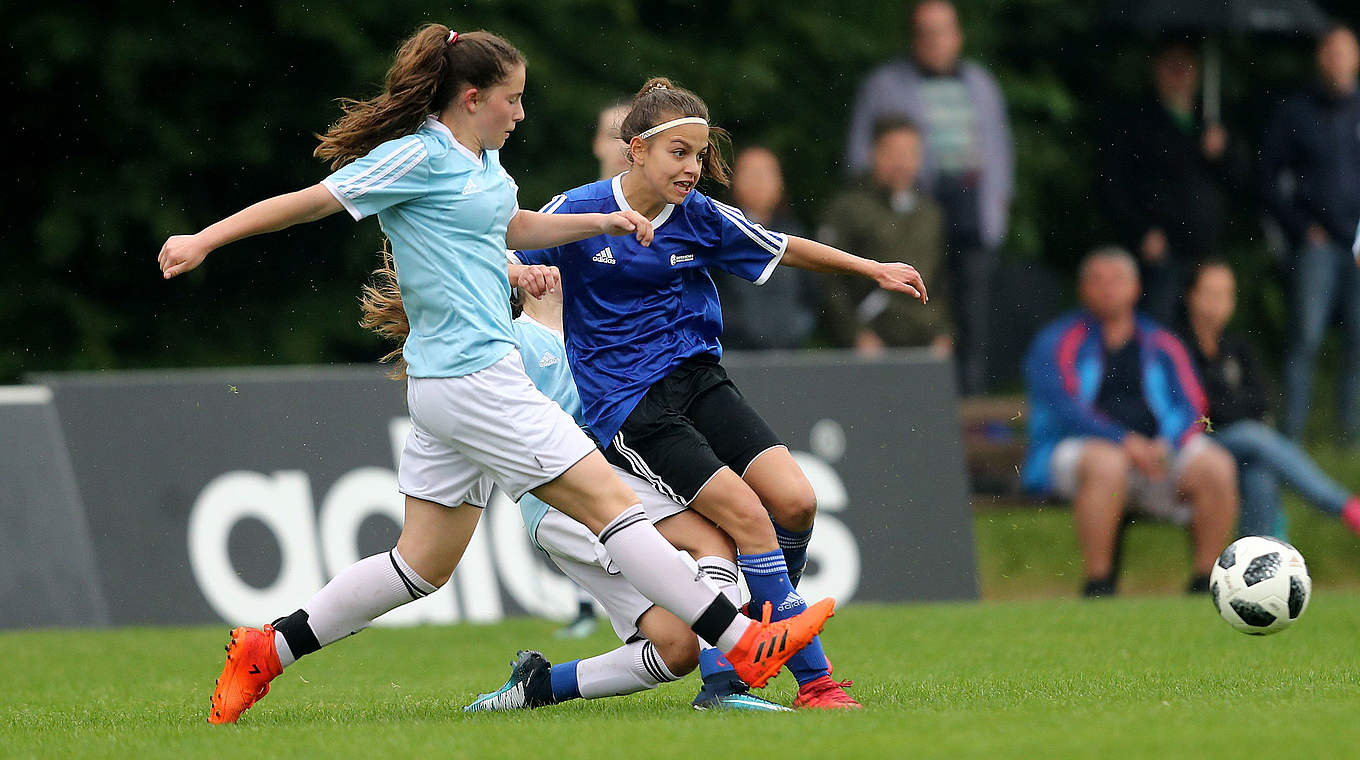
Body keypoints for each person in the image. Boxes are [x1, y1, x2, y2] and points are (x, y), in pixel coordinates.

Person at [157, 26, 833, 724]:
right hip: (475, 379)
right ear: (473, 97)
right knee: (615, 506)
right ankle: (745, 641)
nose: (520, 113)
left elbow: (510, 227)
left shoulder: (484, 165)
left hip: (451, 386)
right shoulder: (416, 156)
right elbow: (315, 200)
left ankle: (268, 648)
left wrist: (601, 222)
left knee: (419, 565)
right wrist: (206, 237)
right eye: (512, 99)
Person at [513, 77, 929, 708]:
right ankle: (808, 684)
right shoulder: (577, 209)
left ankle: (746, 648)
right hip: (631, 405)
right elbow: (498, 243)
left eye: (700, 154)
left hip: (701, 380)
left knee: (797, 502)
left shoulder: (700, 216)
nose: (694, 167)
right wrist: (516, 268)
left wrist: (871, 268)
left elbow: (785, 247)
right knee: (747, 520)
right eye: (679, 152)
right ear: (635, 152)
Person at [451, 283, 797, 711]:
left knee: (677, 649)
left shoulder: (586, 329)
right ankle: (725, 687)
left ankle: (537, 687)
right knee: (712, 540)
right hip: (567, 489)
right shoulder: (514, 338)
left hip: (581, 490)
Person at [1021, 247, 1238, 598]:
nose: (1108, 288)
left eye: (1117, 280)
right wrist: (1124, 440)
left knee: (1218, 466)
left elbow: (1194, 405)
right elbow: (1065, 408)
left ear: (1136, 288)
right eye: (1097, 280)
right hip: (1077, 451)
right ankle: (1099, 584)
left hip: (1157, 451)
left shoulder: (1162, 342)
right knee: (1108, 463)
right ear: (1082, 290)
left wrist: (1165, 445)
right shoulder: (1056, 341)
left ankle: (1206, 581)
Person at [845, 0, 1013, 394]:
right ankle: (911, 398)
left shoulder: (981, 83)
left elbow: (1001, 152)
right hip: (912, 208)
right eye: (926, 31)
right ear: (913, 37)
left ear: (958, 36)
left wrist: (999, 207)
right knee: (916, 291)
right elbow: (860, 156)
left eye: (943, 30)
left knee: (973, 307)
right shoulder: (885, 84)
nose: (935, 40)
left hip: (973, 208)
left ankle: (969, 401)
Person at [1180, 260, 1360, 539]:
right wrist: (1233, 411)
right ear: (1192, 296)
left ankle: (1258, 558)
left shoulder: (1237, 345)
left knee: (1259, 470)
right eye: (1211, 293)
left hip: (1236, 444)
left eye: (1226, 294)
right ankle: (1345, 506)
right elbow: (1201, 410)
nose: (1220, 303)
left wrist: (1230, 410)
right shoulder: (1177, 346)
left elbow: (1262, 399)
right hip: (1193, 443)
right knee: (1253, 435)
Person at [1260, 25, 1360, 443]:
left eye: (1344, 52)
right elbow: (1268, 178)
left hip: (1358, 241)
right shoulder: (1296, 112)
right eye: (1329, 52)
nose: (1336, 60)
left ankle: (1350, 438)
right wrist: (1301, 228)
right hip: (1316, 242)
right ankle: (1292, 436)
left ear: (1356, 59)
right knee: (1306, 337)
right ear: (1321, 59)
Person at [557, 100, 633, 641]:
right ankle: (588, 604)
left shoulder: (677, 213)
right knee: (578, 488)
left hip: (636, 380)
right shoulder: (570, 212)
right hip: (572, 371)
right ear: (597, 144)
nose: (623, 145)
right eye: (614, 134)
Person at [1099, 38, 1237, 325]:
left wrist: (1223, 153)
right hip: (1161, 249)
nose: (1179, 73)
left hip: (1203, 248)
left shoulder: (1210, 120)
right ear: (1156, 70)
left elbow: (1239, 181)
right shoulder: (1137, 120)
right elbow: (1113, 185)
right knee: (1158, 326)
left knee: (1200, 331)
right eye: (1171, 66)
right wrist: (1141, 231)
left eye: (1185, 65)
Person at [821, 116, 952, 357]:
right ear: (874, 153)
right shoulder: (849, 208)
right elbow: (830, 281)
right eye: (893, 153)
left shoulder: (931, 212)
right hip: (871, 340)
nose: (902, 162)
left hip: (927, 341)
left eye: (910, 153)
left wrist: (944, 333)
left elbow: (942, 280)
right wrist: (855, 334)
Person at [710, 145, 820, 350]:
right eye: (751, 174)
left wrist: (798, 327)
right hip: (732, 353)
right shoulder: (717, 234)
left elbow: (810, 295)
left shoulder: (795, 234)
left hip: (789, 355)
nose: (759, 182)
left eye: (766, 174)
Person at [593, 100, 632, 180]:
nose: (623, 146)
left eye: (631, 136)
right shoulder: (575, 193)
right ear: (597, 143)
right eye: (614, 136)